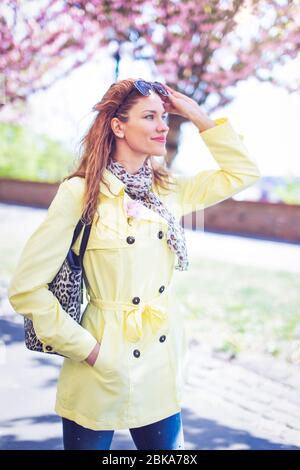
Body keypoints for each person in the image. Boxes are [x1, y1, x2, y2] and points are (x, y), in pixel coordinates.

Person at [8, 78, 261, 450]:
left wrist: (196, 115)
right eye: (150, 116)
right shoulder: (80, 193)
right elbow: (26, 289)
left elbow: (243, 174)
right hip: (99, 364)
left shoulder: (169, 192)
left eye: (165, 117)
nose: (163, 126)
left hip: (158, 363)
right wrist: (88, 350)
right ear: (118, 125)